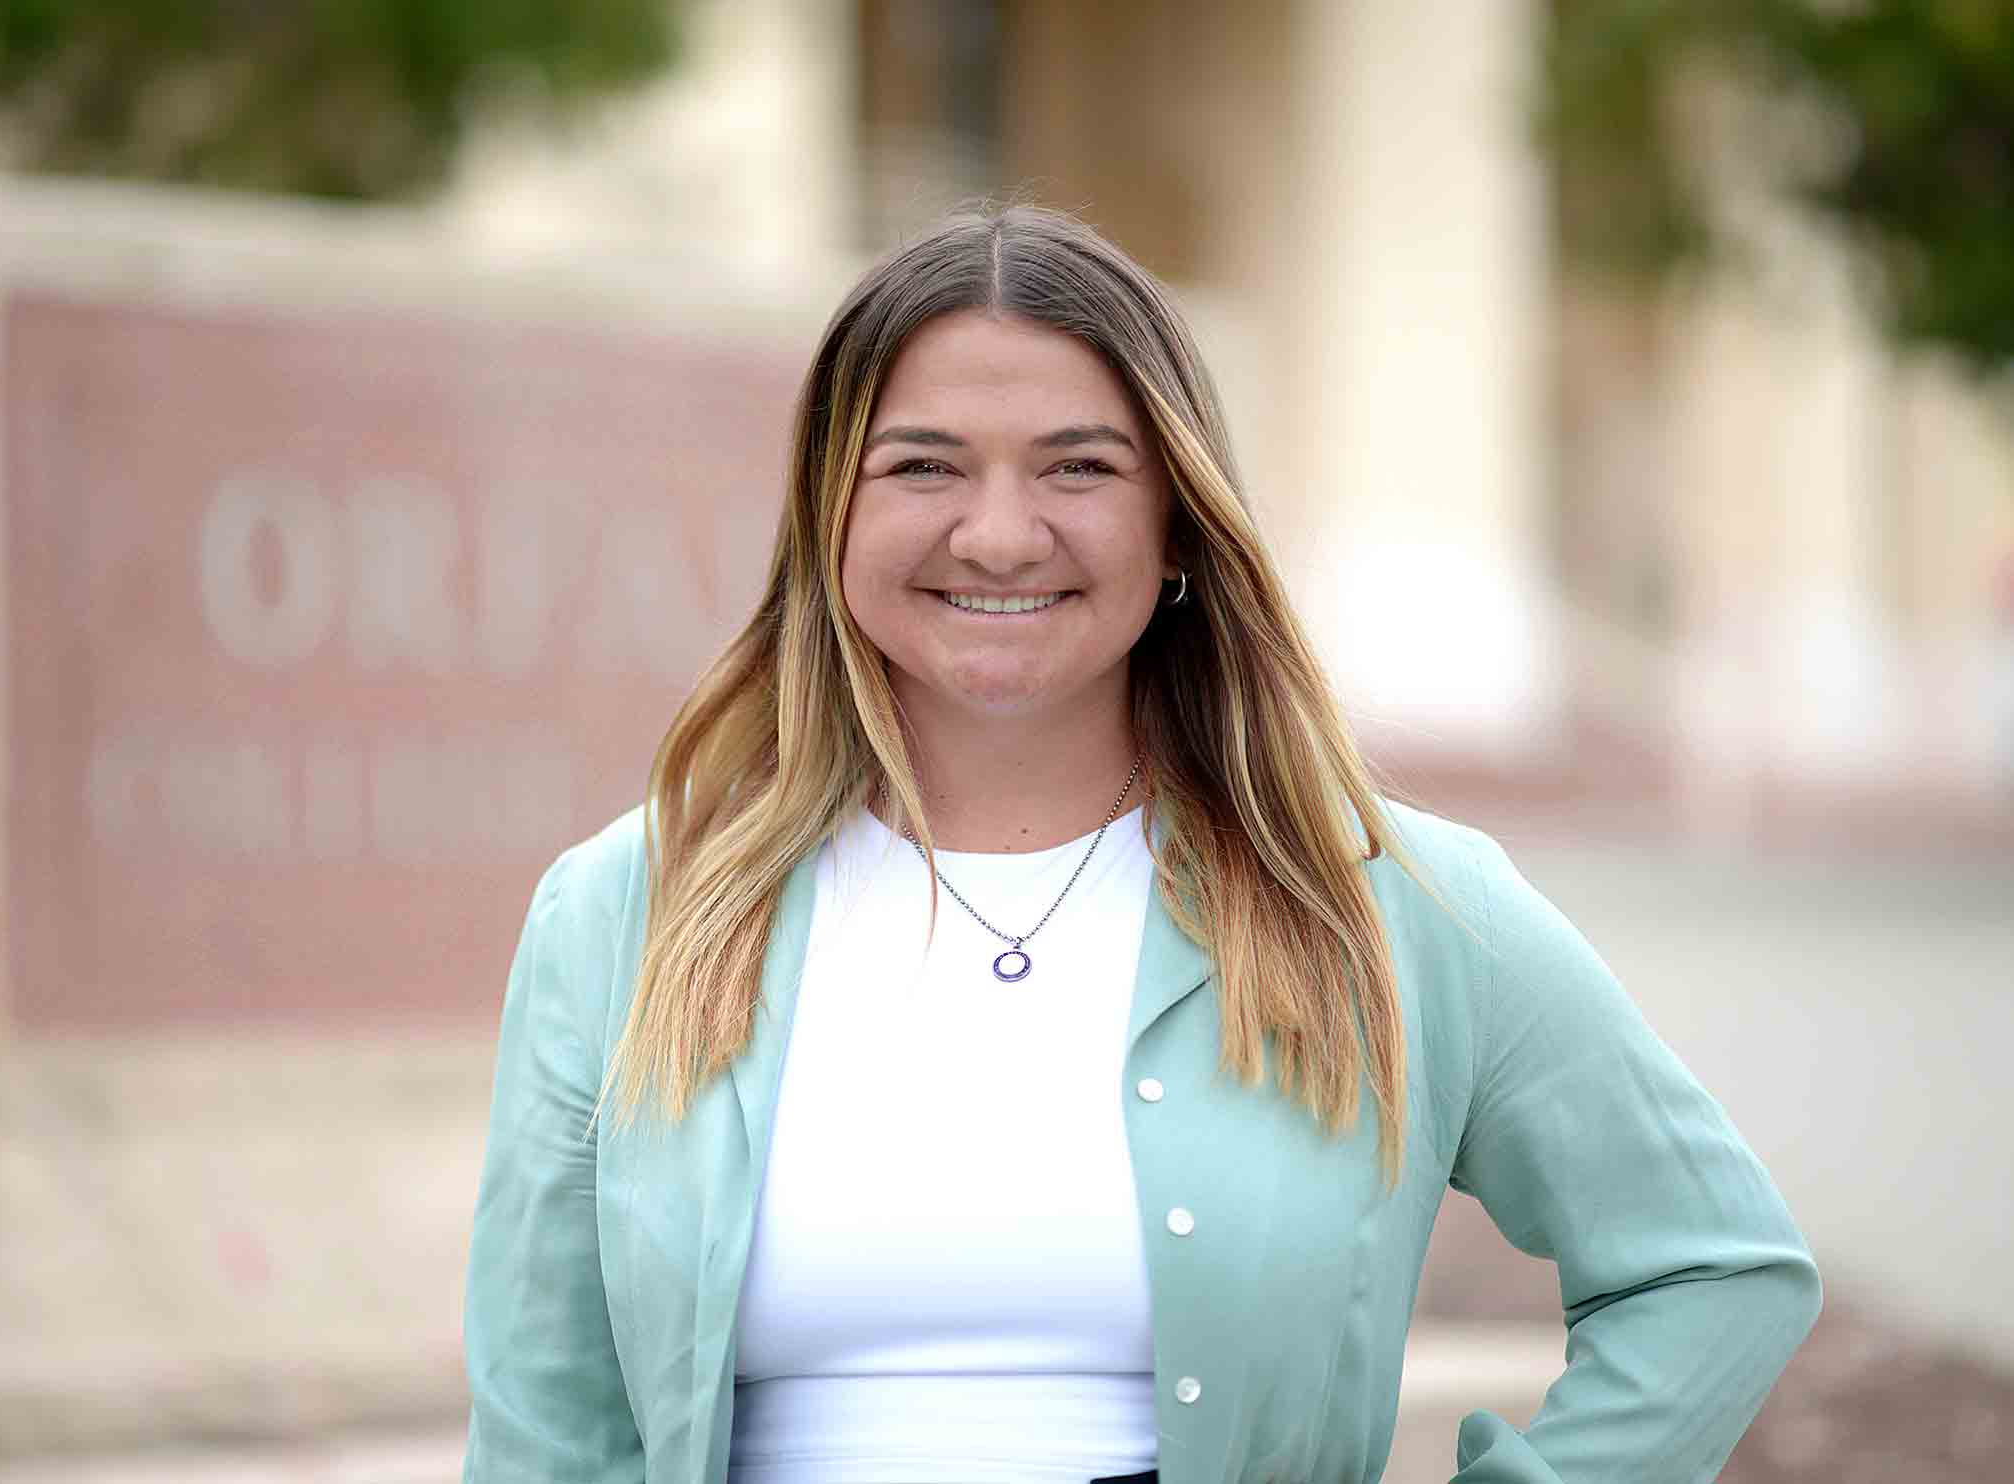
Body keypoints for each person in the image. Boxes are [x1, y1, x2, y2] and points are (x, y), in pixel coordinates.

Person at [460, 205, 1820, 1484]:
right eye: (923, 465)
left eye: (1081, 467)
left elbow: (1711, 1265)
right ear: (830, 514)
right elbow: (544, 1427)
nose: (1000, 535)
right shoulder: (628, 909)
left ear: (1177, 513)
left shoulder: (1393, 904)